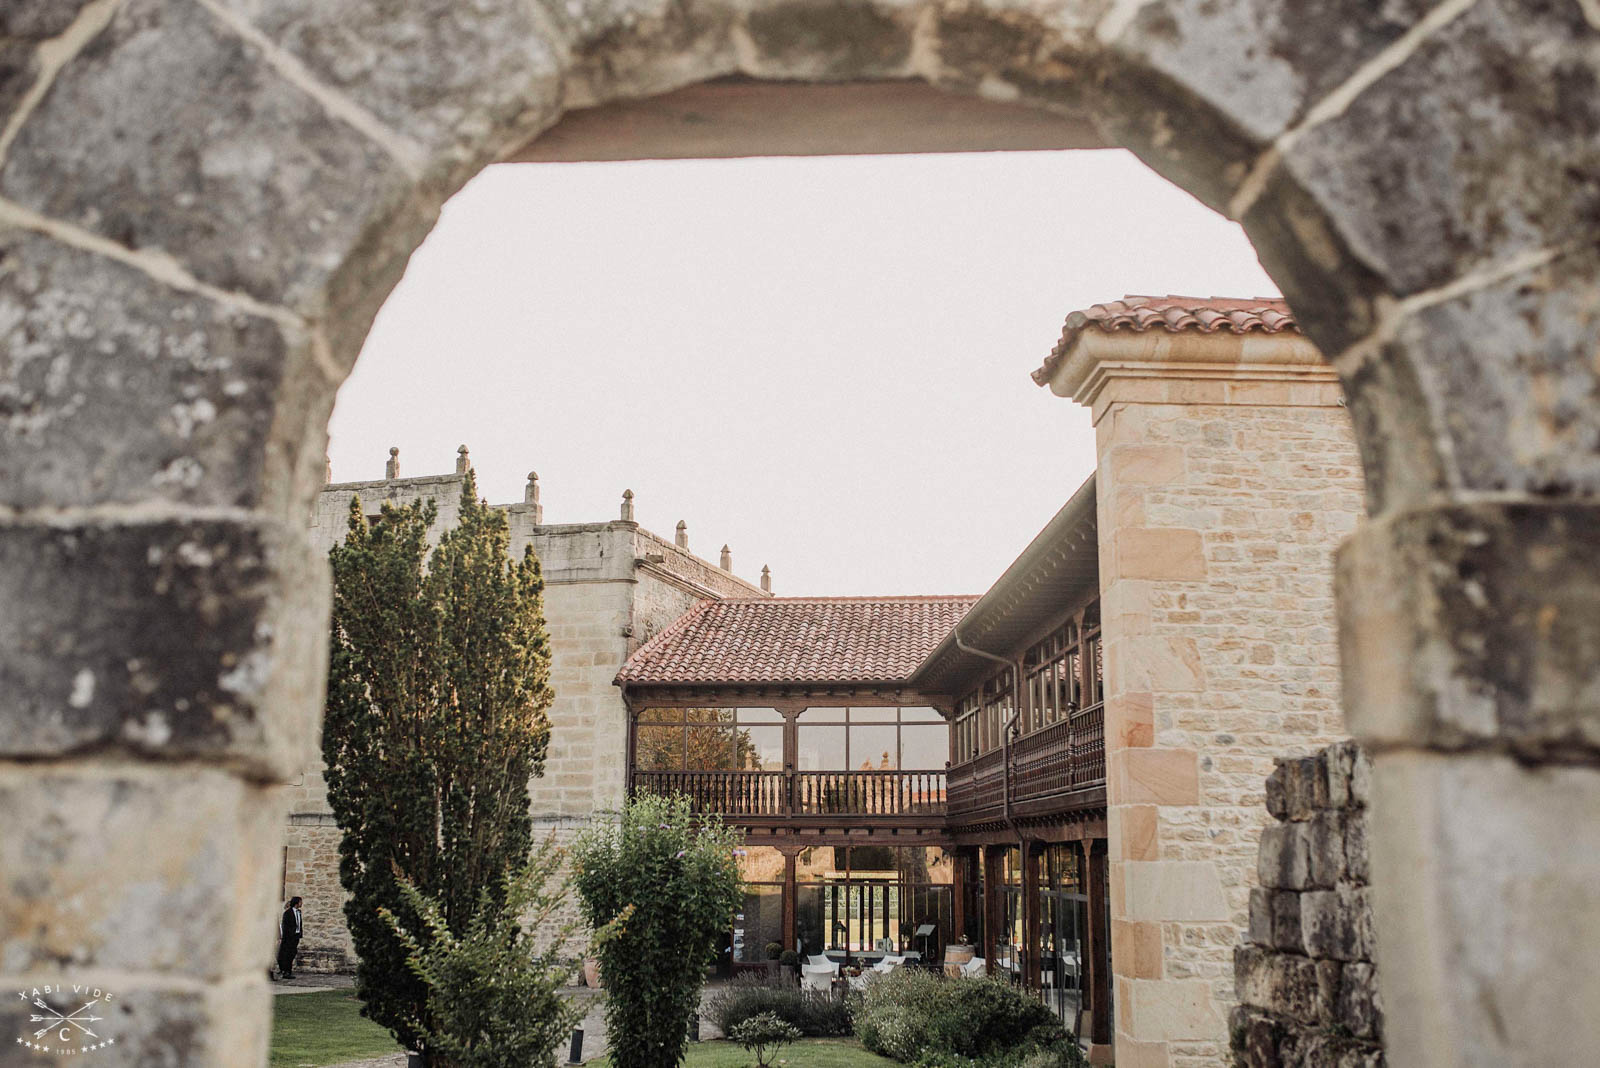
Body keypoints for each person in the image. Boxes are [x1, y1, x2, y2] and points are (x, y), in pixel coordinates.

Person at [277, 897, 303, 980]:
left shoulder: (299, 912)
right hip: (289, 937)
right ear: (296, 903)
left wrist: (299, 933)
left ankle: (288, 970)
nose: (301, 903)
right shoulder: (288, 913)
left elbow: (299, 924)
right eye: (300, 902)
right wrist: (286, 936)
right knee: (287, 954)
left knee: (292, 953)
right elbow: (285, 926)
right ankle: (286, 971)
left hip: (296, 936)